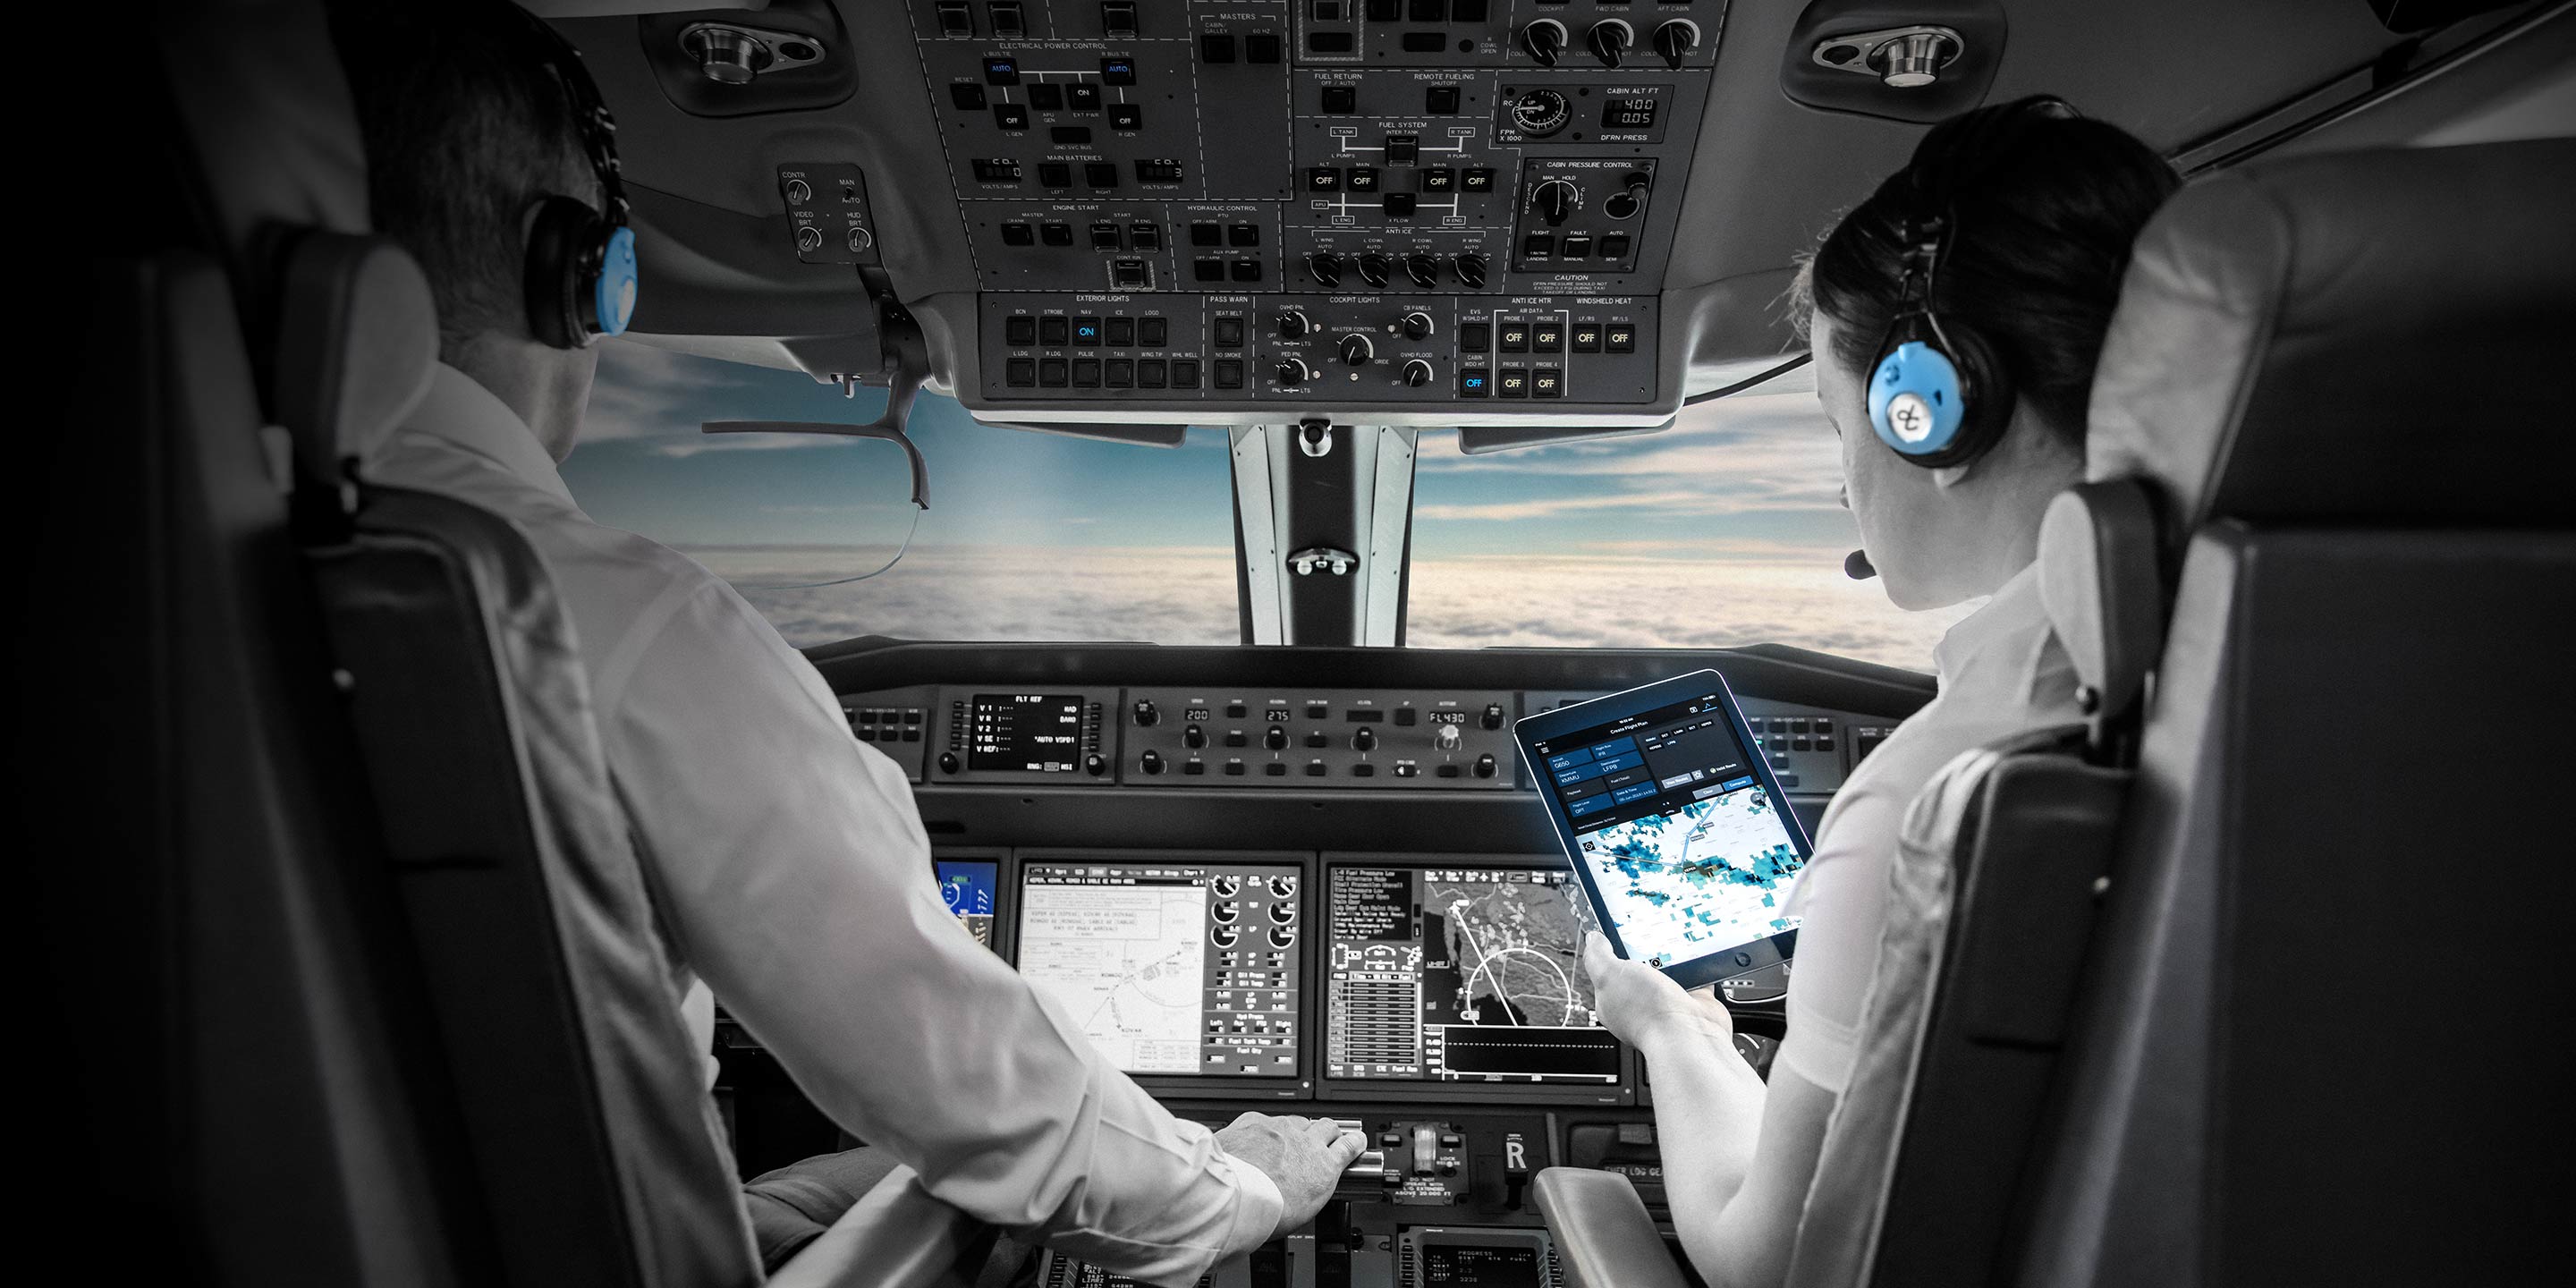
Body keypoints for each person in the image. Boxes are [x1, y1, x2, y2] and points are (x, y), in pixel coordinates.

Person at [333, 6, 1361, 1284]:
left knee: (874, 1177)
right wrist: (1247, 1193)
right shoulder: (598, 616)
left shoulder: (197, 578)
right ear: (581, 271)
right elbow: (986, 1101)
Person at [1580, 97, 2181, 1287]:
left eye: (1835, 423)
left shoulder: (1931, 803)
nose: (1843, 485)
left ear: (1934, 412)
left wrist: (1671, 1031)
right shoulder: (2258, 691)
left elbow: (1770, 1256)